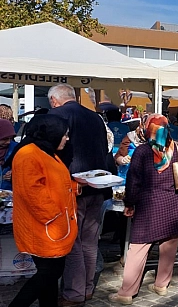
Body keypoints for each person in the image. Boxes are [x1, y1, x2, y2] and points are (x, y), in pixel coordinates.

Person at [109, 114, 178, 305]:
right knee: (169, 246)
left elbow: (133, 181)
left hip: (150, 206)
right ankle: (161, 285)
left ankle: (126, 293)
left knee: (138, 248)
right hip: (175, 203)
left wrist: (129, 204)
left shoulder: (143, 152)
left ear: (149, 129)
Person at [47, 84, 109, 307]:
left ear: (54, 101)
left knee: (73, 241)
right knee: (90, 241)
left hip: (72, 186)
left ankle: (74, 293)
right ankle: (87, 288)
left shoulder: (57, 115)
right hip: (98, 185)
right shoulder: (95, 118)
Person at [7, 115, 77, 307]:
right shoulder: (28, 154)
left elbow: (53, 181)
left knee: (50, 275)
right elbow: (32, 192)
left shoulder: (45, 151)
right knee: (49, 273)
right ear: (52, 133)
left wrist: (76, 187)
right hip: (44, 227)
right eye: (65, 135)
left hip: (52, 226)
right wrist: (54, 216)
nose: (67, 139)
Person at [0, 119, 18, 190]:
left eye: (10, 138)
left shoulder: (16, 148)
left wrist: (15, 173)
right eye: (4, 139)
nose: (8, 142)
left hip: (10, 195)